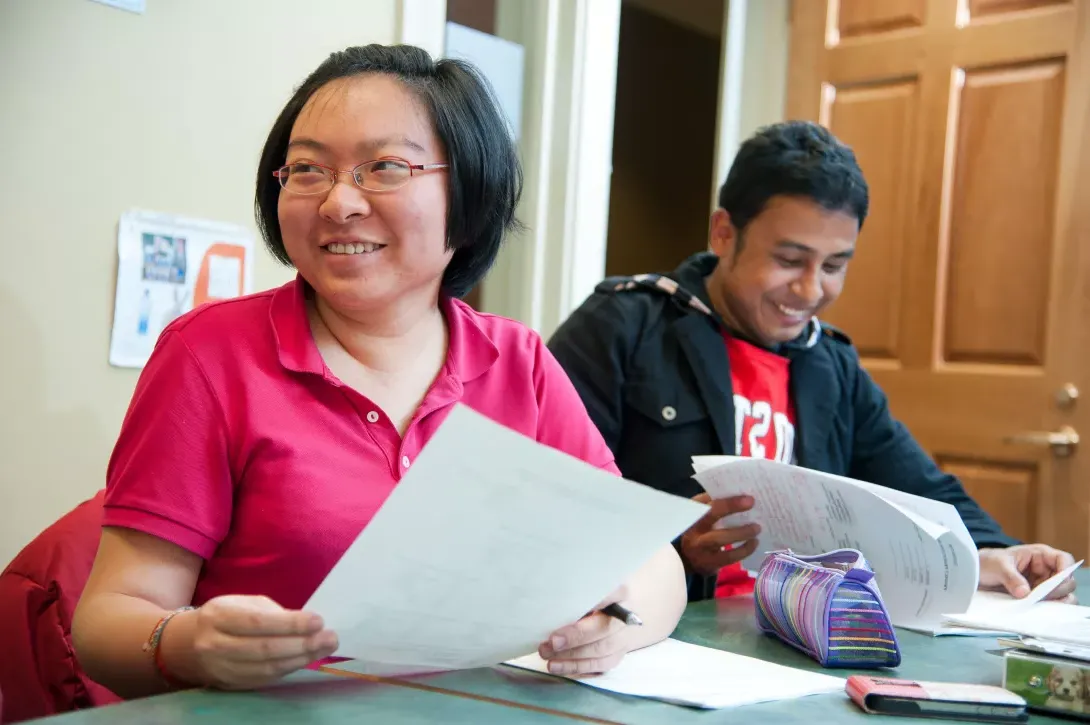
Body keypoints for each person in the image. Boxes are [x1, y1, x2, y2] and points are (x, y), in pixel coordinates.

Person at [72, 44, 687, 698]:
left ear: (469, 188)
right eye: (307, 168)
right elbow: (107, 618)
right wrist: (187, 643)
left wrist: (622, 618)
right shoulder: (210, 354)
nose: (338, 201)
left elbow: (652, 561)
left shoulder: (519, 363)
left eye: (384, 167)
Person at [547, 120, 1078, 605]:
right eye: (789, 260)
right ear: (724, 232)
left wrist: (996, 550)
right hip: (661, 630)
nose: (810, 289)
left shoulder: (832, 366)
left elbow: (921, 489)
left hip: (804, 633)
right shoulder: (622, 327)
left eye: (834, 266)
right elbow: (554, 505)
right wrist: (676, 550)